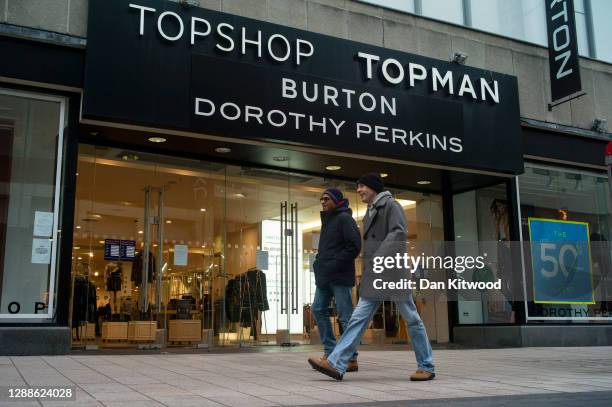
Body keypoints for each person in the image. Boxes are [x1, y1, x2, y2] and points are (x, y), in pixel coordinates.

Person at [308, 173, 435, 381]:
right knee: (358, 319)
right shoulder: (370, 211)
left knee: (411, 318)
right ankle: (337, 363)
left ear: (374, 187)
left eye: (362, 187)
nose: (358, 191)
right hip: (375, 275)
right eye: (358, 187)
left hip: (392, 272)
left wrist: (378, 258)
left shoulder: (392, 206)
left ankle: (427, 365)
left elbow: (398, 233)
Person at [311, 188, 362, 372]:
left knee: (346, 316)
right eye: (321, 199)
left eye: (327, 198)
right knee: (317, 309)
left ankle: (350, 358)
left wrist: (334, 264)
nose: (323, 201)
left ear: (337, 200)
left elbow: (354, 245)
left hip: (339, 276)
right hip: (325, 277)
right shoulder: (328, 220)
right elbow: (327, 249)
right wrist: (319, 264)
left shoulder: (344, 218)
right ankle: (332, 352)